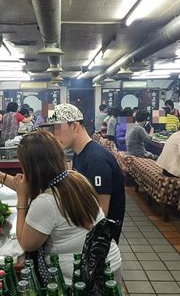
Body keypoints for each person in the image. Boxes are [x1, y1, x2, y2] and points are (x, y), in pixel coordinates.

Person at [0, 131, 122, 283]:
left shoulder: (46, 202)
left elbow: (27, 243)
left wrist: (22, 199)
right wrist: (3, 178)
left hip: (86, 277)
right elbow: (34, 190)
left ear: (31, 167)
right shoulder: (74, 178)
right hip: (108, 263)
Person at [51, 103, 126, 243]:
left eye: (58, 128)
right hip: (86, 231)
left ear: (74, 126)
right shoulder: (80, 153)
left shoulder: (96, 161)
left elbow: (99, 214)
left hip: (100, 242)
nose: (55, 135)